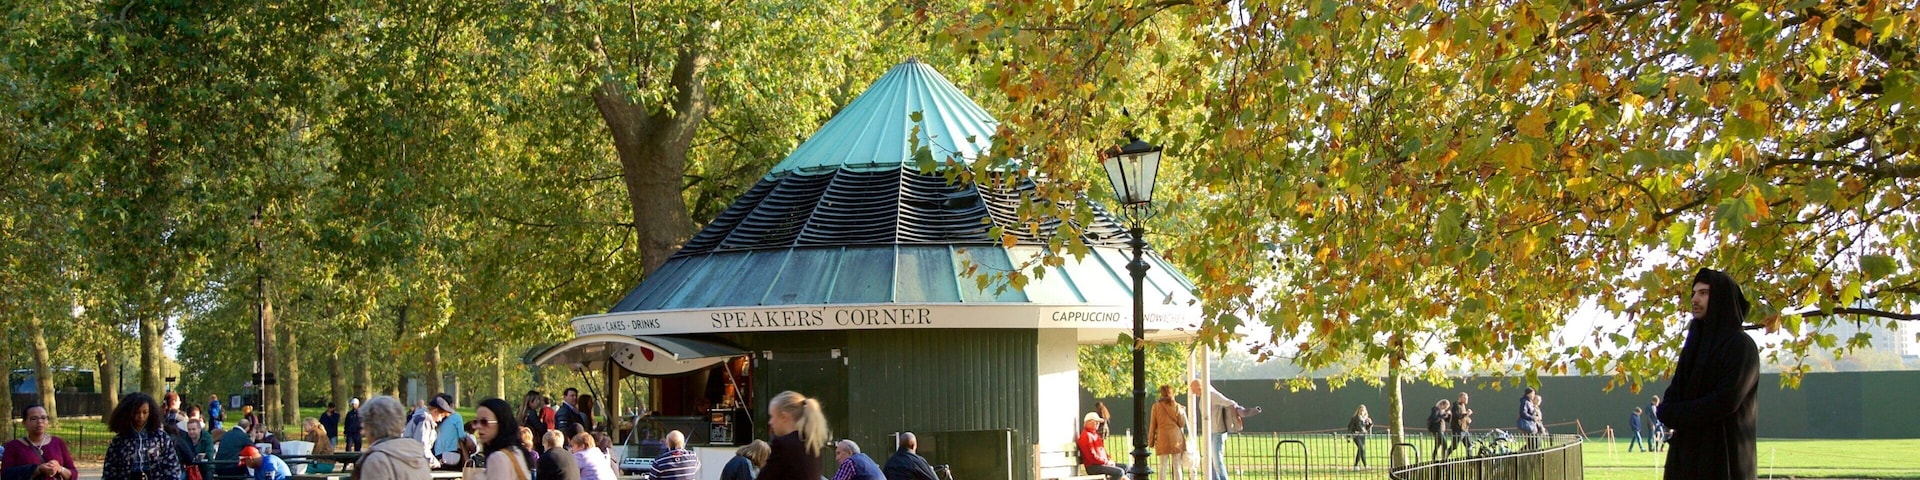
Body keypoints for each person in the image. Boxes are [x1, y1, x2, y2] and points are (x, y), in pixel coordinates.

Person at [1659, 268, 1761, 480]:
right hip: (1685, 460)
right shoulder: (1693, 348)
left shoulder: (1741, 346)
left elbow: (1725, 401)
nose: (1695, 299)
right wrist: (1672, 413)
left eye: (1704, 293)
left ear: (1721, 298)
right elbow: (1669, 402)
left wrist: (1678, 415)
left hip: (1723, 462)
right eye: (1694, 293)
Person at [102, 392, 184, 480]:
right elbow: (110, 471)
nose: (141, 416)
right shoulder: (119, 440)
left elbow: (172, 467)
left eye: (145, 412)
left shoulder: (160, 438)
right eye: (137, 412)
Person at [355, 396, 432, 480]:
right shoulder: (419, 457)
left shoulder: (377, 461)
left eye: (364, 426)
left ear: (371, 427)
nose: (363, 432)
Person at [759, 391, 829, 480]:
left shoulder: (782, 444)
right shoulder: (812, 444)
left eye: (772, 416)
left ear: (784, 417)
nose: (770, 422)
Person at [1190, 379, 1252, 480]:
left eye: (1194, 390)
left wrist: (1239, 410)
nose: (1193, 393)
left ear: (1200, 388)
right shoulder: (1204, 396)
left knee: (1217, 461)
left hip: (1218, 431)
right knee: (1210, 461)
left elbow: (1229, 402)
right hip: (1210, 431)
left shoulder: (1212, 395)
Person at [2, 404, 77, 480]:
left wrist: (60, 469)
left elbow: (73, 474)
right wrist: (37, 469)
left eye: (43, 418)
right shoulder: (13, 446)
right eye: (34, 418)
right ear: (24, 422)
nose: (40, 421)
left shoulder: (58, 443)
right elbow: (6, 475)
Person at [474, 398, 534, 480]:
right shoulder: (516, 451)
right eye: (476, 421)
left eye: (484, 422)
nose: (478, 426)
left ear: (501, 423)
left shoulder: (498, 458)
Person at [404, 394, 457, 469]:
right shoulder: (424, 421)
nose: (440, 419)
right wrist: (435, 463)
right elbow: (422, 447)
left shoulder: (423, 419)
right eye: (441, 416)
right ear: (435, 411)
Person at [1150, 385, 1188, 480]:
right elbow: (1182, 423)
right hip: (1176, 438)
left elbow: (1153, 425)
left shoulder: (1156, 406)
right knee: (1177, 465)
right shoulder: (1176, 406)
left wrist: (1151, 441)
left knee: (1162, 465)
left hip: (1162, 438)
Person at [1075, 412, 1125, 480]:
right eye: (1095, 422)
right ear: (1087, 423)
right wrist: (1106, 462)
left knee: (1125, 467)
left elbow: (1103, 451)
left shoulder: (1095, 435)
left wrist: (1109, 460)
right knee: (1119, 472)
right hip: (1093, 467)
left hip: (1101, 464)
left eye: (1098, 422)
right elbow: (1092, 456)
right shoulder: (1086, 436)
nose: (1098, 424)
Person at [433, 394, 468, 467]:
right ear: (452, 405)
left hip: (437, 454)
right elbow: (461, 435)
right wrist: (468, 435)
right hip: (451, 455)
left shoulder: (438, 418)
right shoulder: (456, 417)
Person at [1447, 392, 1474, 458]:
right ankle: (1445, 456)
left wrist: (1468, 419)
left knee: (1469, 446)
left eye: (1467, 398)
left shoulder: (1463, 405)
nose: (1466, 399)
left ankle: (1470, 461)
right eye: (1465, 398)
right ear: (1460, 398)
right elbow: (1457, 416)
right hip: (1458, 429)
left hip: (1464, 429)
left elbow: (1463, 417)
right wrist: (1467, 414)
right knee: (1454, 446)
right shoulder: (1456, 406)